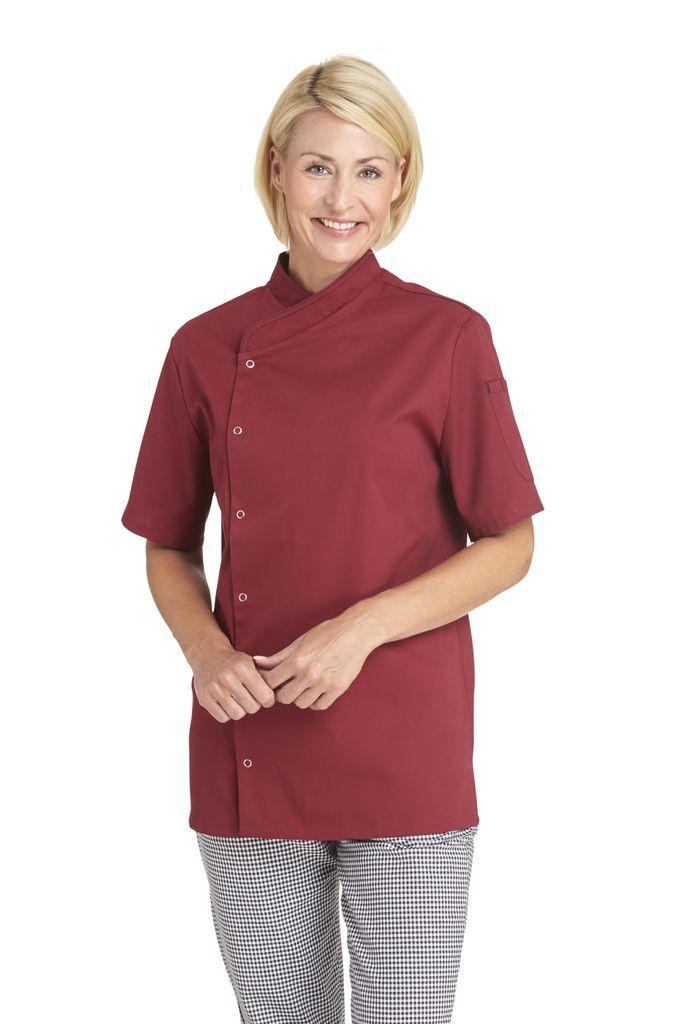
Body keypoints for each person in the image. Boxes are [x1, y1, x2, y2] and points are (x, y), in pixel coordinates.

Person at [121, 54, 545, 1024]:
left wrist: (360, 628)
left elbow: (509, 542)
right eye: (317, 167)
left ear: (399, 180)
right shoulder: (202, 347)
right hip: (251, 739)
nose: (340, 198)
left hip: (404, 752)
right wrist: (204, 652)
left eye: (367, 170)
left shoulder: (447, 336)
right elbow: (167, 543)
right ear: (276, 170)